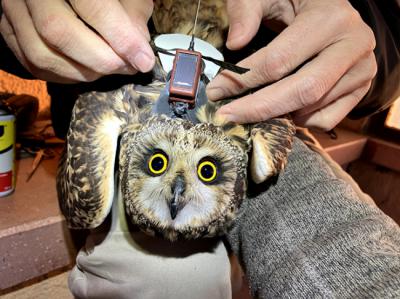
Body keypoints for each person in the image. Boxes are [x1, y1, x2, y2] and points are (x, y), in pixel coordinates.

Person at [1, 0, 399, 298]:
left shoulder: (264, 141)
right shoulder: (107, 130)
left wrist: (362, 49)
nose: (176, 194)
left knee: (342, 246)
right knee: (169, 283)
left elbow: (388, 50)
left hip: (254, 105)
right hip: (118, 104)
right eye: (158, 164)